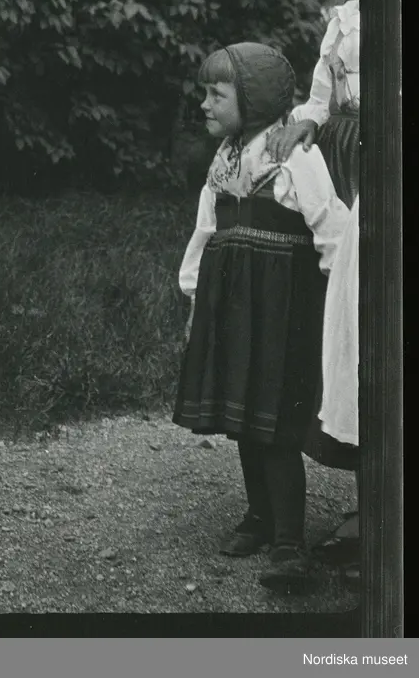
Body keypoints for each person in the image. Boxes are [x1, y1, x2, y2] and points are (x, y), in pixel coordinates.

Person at [173, 42, 350, 594]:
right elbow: (206, 231)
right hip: (232, 304)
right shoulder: (224, 160)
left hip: (282, 309)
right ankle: (260, 517)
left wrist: (339, 305)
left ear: (251, 101)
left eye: (216, 95)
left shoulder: (295, 156)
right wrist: (196, 298)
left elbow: (335, 232)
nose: (204, 104)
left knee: (275, 422)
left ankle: (289, 543)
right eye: (205, 93)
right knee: (244, 415)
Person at [267, 0, 360, 583]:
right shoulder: (343, 19)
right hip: (353, 173)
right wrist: (303, 119)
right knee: (354, 333)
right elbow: (322, 99)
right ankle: (369, 499)